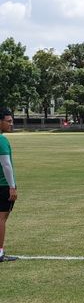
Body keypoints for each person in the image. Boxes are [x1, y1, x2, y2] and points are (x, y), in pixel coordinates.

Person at [0, 108, 18, 263]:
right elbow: (6, 165)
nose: (11, 124)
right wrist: (12, 186)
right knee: (1, 219)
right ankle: (0, 252)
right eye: (8, 121)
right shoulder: (2, 141)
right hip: (3, 185)